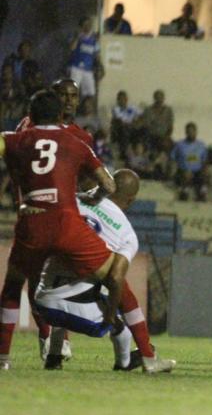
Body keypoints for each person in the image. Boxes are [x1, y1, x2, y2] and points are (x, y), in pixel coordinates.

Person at [0, 90, 126, 370]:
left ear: (30, 116)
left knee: (12, 289)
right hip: (68, 223)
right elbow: (109, 185)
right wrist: (91, 198)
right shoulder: (76, 142)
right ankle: (122, 341)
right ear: (60, 115)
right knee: (115, 275)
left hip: (32, 222)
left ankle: (3, 359)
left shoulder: (13, 140)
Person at [36, 170, 176, 373]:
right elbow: (115, 278)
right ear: (131, 200)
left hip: (41, 302)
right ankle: (132, 361)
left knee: (74, 284)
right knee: (118, 310)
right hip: (70, 308)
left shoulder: (76, 200)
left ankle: (54, 356)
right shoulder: (126, 234)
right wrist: (110, 316)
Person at [171, 122, 208, 201]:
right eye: (189, 132)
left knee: (202, 177)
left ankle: (202, 194)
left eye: (192, 131)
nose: (191, 134)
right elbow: (173, 159)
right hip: (182, 170)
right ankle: (184, 192)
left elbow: (204, 161)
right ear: (186, 132)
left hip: (197, 171)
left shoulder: (201, 145)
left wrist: (204, 171)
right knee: (185, 176)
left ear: (196, 132)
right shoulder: (179, 145)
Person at [67, 17, 102, 98]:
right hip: (76, 68)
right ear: (81, 26)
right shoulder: (77, 36)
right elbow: (72, 48)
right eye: (85, 25)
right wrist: (77, 37)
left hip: (88, 70)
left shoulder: (94, 39)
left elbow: (97, 54)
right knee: (73, 91)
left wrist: (99, 66)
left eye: (89, 24)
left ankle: (85, 109)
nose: (87, 27)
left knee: (90, 94)